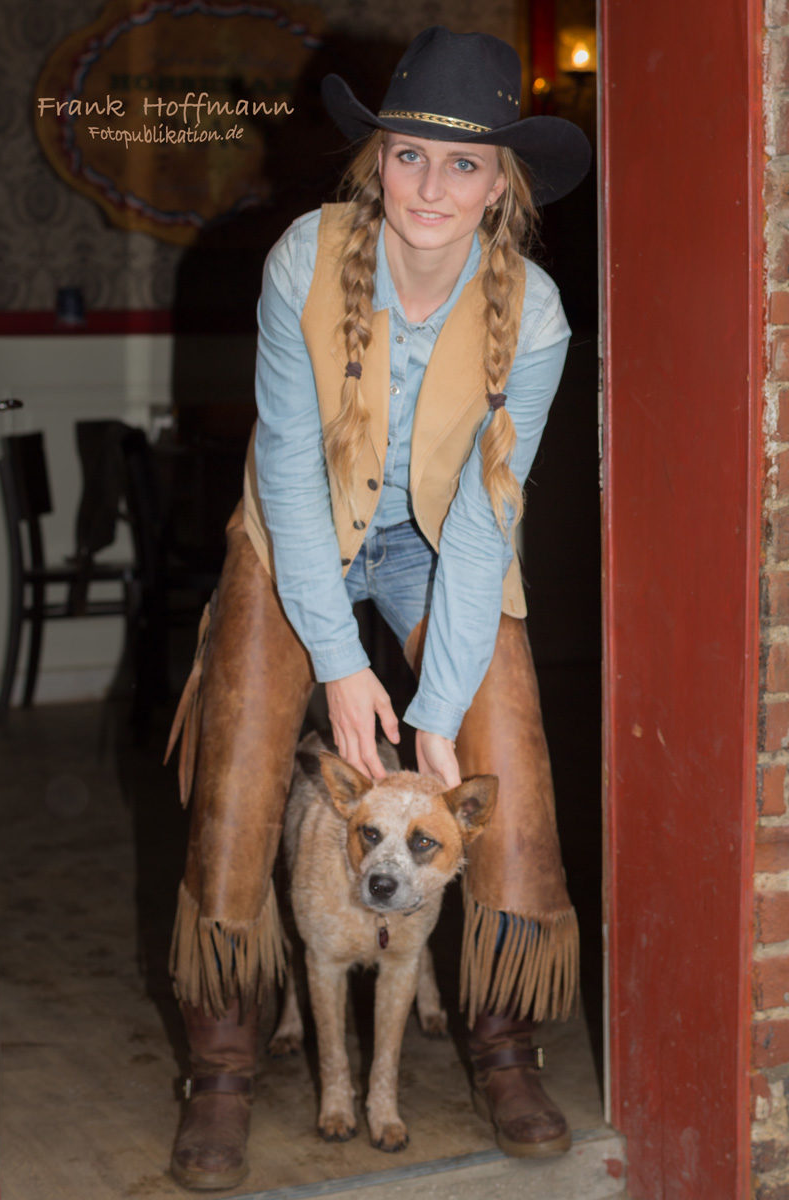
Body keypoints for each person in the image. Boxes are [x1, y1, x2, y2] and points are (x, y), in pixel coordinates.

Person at [165, 26, 591, 1191]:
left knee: (504, 736)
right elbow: (291, 471)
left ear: (502, 182)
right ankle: (223, 1059)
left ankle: (501, 1039)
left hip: (435, 550)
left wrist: (439, 704)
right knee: (247, 744)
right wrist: (338, 662)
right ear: (375, 161)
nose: (433, 186)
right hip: (297, 538)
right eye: (412, 155)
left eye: (465, 164)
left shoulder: (535, 315)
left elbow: (479, 525)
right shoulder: (304, 261)